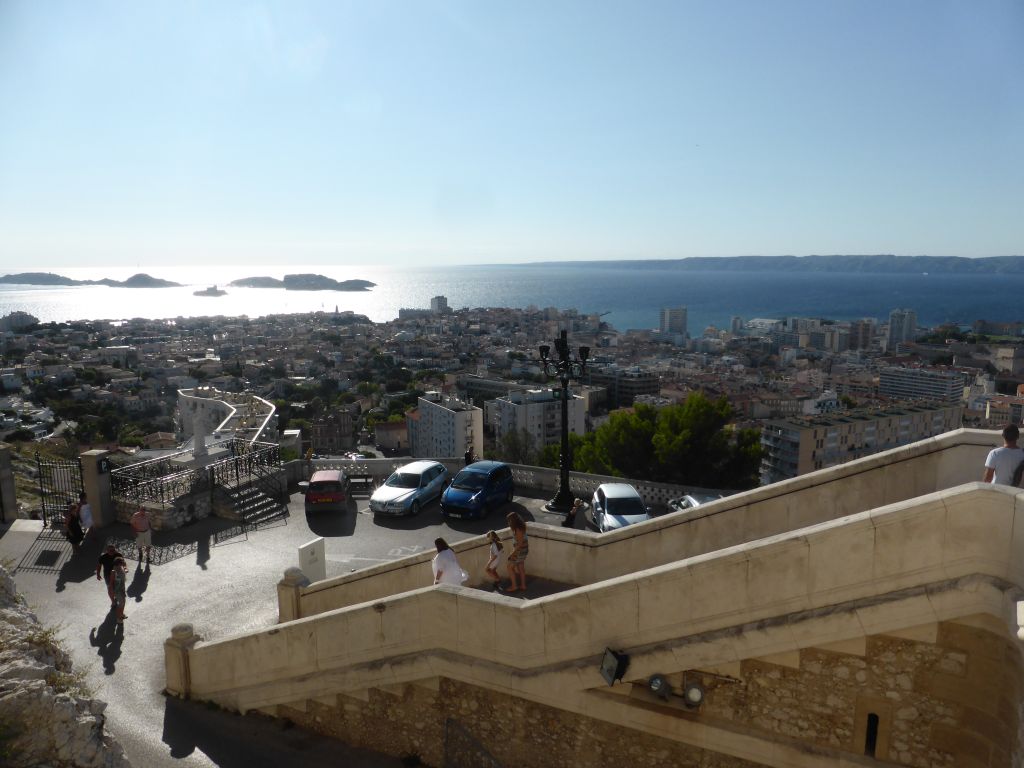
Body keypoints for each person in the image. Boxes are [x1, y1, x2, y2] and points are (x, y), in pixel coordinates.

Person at [505, 511, 529, 593]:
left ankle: (514, 586)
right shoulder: (521, 526)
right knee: (520, 567)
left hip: (520, 551)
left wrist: (512, 553)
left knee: (509, 567)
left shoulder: (518, 529)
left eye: (509, 520)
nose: (508, 522)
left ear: (513, 520)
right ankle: (523, 585)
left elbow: (519, 544)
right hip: (523, 550)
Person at [108, 556, 128, 623]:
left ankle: (121, 614)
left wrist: (125, 568)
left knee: (124, 602)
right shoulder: (114, 571)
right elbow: (111, 583)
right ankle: (119, 618)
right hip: (117, 590)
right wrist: (112, 591)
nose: (124, 562)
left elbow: (125, 567)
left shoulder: (121, 568)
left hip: (122, 588)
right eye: (122, 561)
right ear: (119, 563)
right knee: (121, 603)